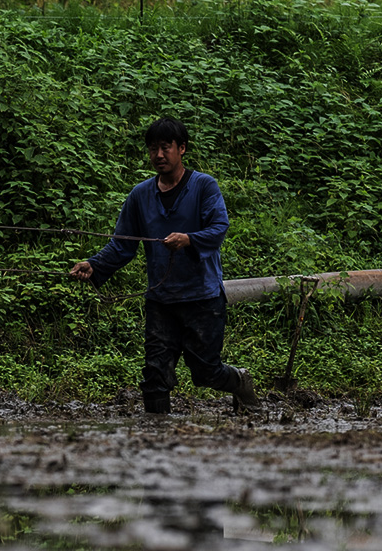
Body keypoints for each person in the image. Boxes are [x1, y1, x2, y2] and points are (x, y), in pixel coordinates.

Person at [70, 118, 260, 414]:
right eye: (153, 149)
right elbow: (123, 243)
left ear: (181, 149)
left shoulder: (203, 186)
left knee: (205, 373)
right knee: (155, 376)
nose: (159, 155)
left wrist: (189, 239)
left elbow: (219, 227)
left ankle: (240, 379)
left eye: (166, 147)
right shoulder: (140, 195)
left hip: (202, 297)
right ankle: (156, 441)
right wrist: (94, 265)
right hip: (161, 300)